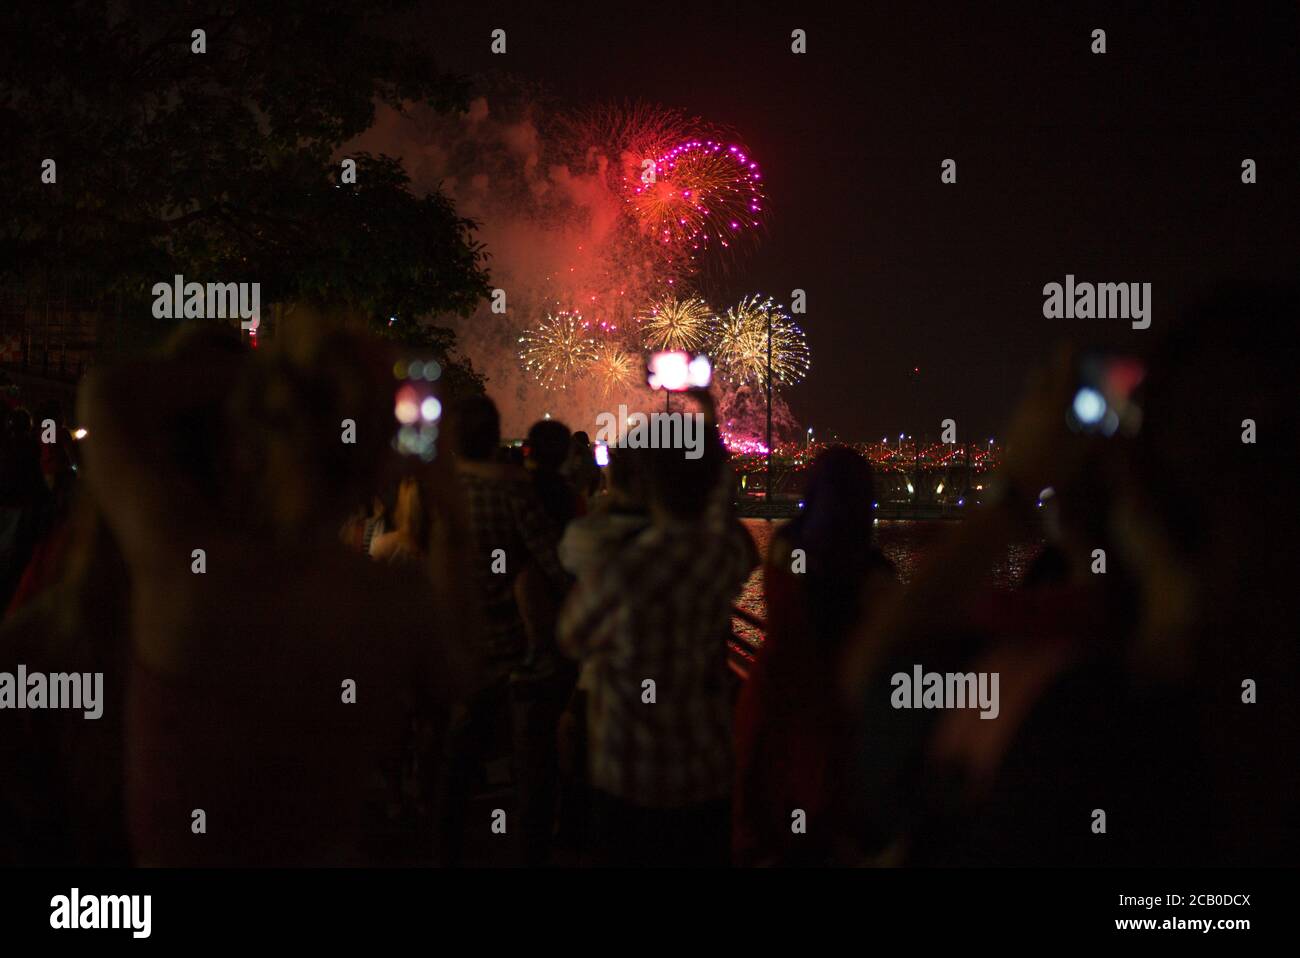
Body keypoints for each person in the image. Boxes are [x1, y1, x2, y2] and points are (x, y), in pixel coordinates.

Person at [76, 316, 482, 865]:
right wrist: (451, 516)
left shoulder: (181, 566)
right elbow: (458, 676)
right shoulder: (391, 601)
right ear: (379, 460)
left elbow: (106, 396)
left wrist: (257, 376)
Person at [558, 389, 756, 867]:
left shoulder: (623, 569)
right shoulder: (722, 554)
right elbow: (724, 513)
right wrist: (707, 425)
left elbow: (570, 636)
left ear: (647, 486)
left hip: (630, 774)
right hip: (706, 772)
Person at [733, 446, 896, 866]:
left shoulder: (785, 547)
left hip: (771, 698)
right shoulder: (873, 574)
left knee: (766, 828)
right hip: (833, 716)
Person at [436, 394, 570, 866]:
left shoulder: (437, 492)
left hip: (460, 645)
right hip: (518, 648)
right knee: (531, 763)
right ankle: (530, 853)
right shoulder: (513, 492)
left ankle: (447, 847)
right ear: (494, 439)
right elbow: (555, 564)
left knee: (460, 755)